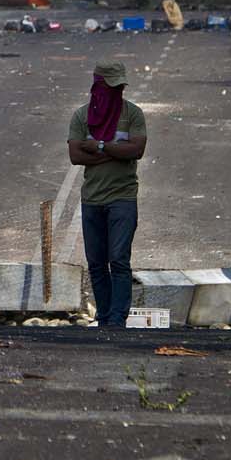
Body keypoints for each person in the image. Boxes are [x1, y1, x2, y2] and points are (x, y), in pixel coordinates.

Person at [66, 62, 148, 327]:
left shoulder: (133, 114)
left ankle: (117, 319)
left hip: (122, 198)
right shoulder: (81, 117)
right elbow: (76, 156)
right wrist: (115, 151)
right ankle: (103, 317)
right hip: (92, 200)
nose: (117, 91)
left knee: (119, 260)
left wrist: (99, 147)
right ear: (98, 87)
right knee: (97, 264)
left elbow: (136, 150)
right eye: (112, 86)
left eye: (120, 86)